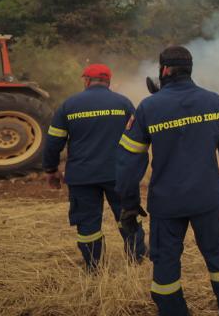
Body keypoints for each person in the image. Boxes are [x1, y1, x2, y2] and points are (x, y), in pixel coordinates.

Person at [115, 46, 219, 316]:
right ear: (190, 69)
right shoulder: (215, 101)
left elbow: (128, 163)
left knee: (165, 262)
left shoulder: (148, 107)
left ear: (164, 70)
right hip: (207, 199)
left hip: (166, 204)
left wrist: (129, 204)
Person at [42, 63, 146, 272]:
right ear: (108, 81)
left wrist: (51, 170)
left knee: (87, 224)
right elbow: (139, 136)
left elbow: (53, 142)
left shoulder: (69, 105)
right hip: (119, 174)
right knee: (127, 216)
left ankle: (94, 266)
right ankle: (137, 261)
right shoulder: (123, 103)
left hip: (82, 176)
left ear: (86, 81)